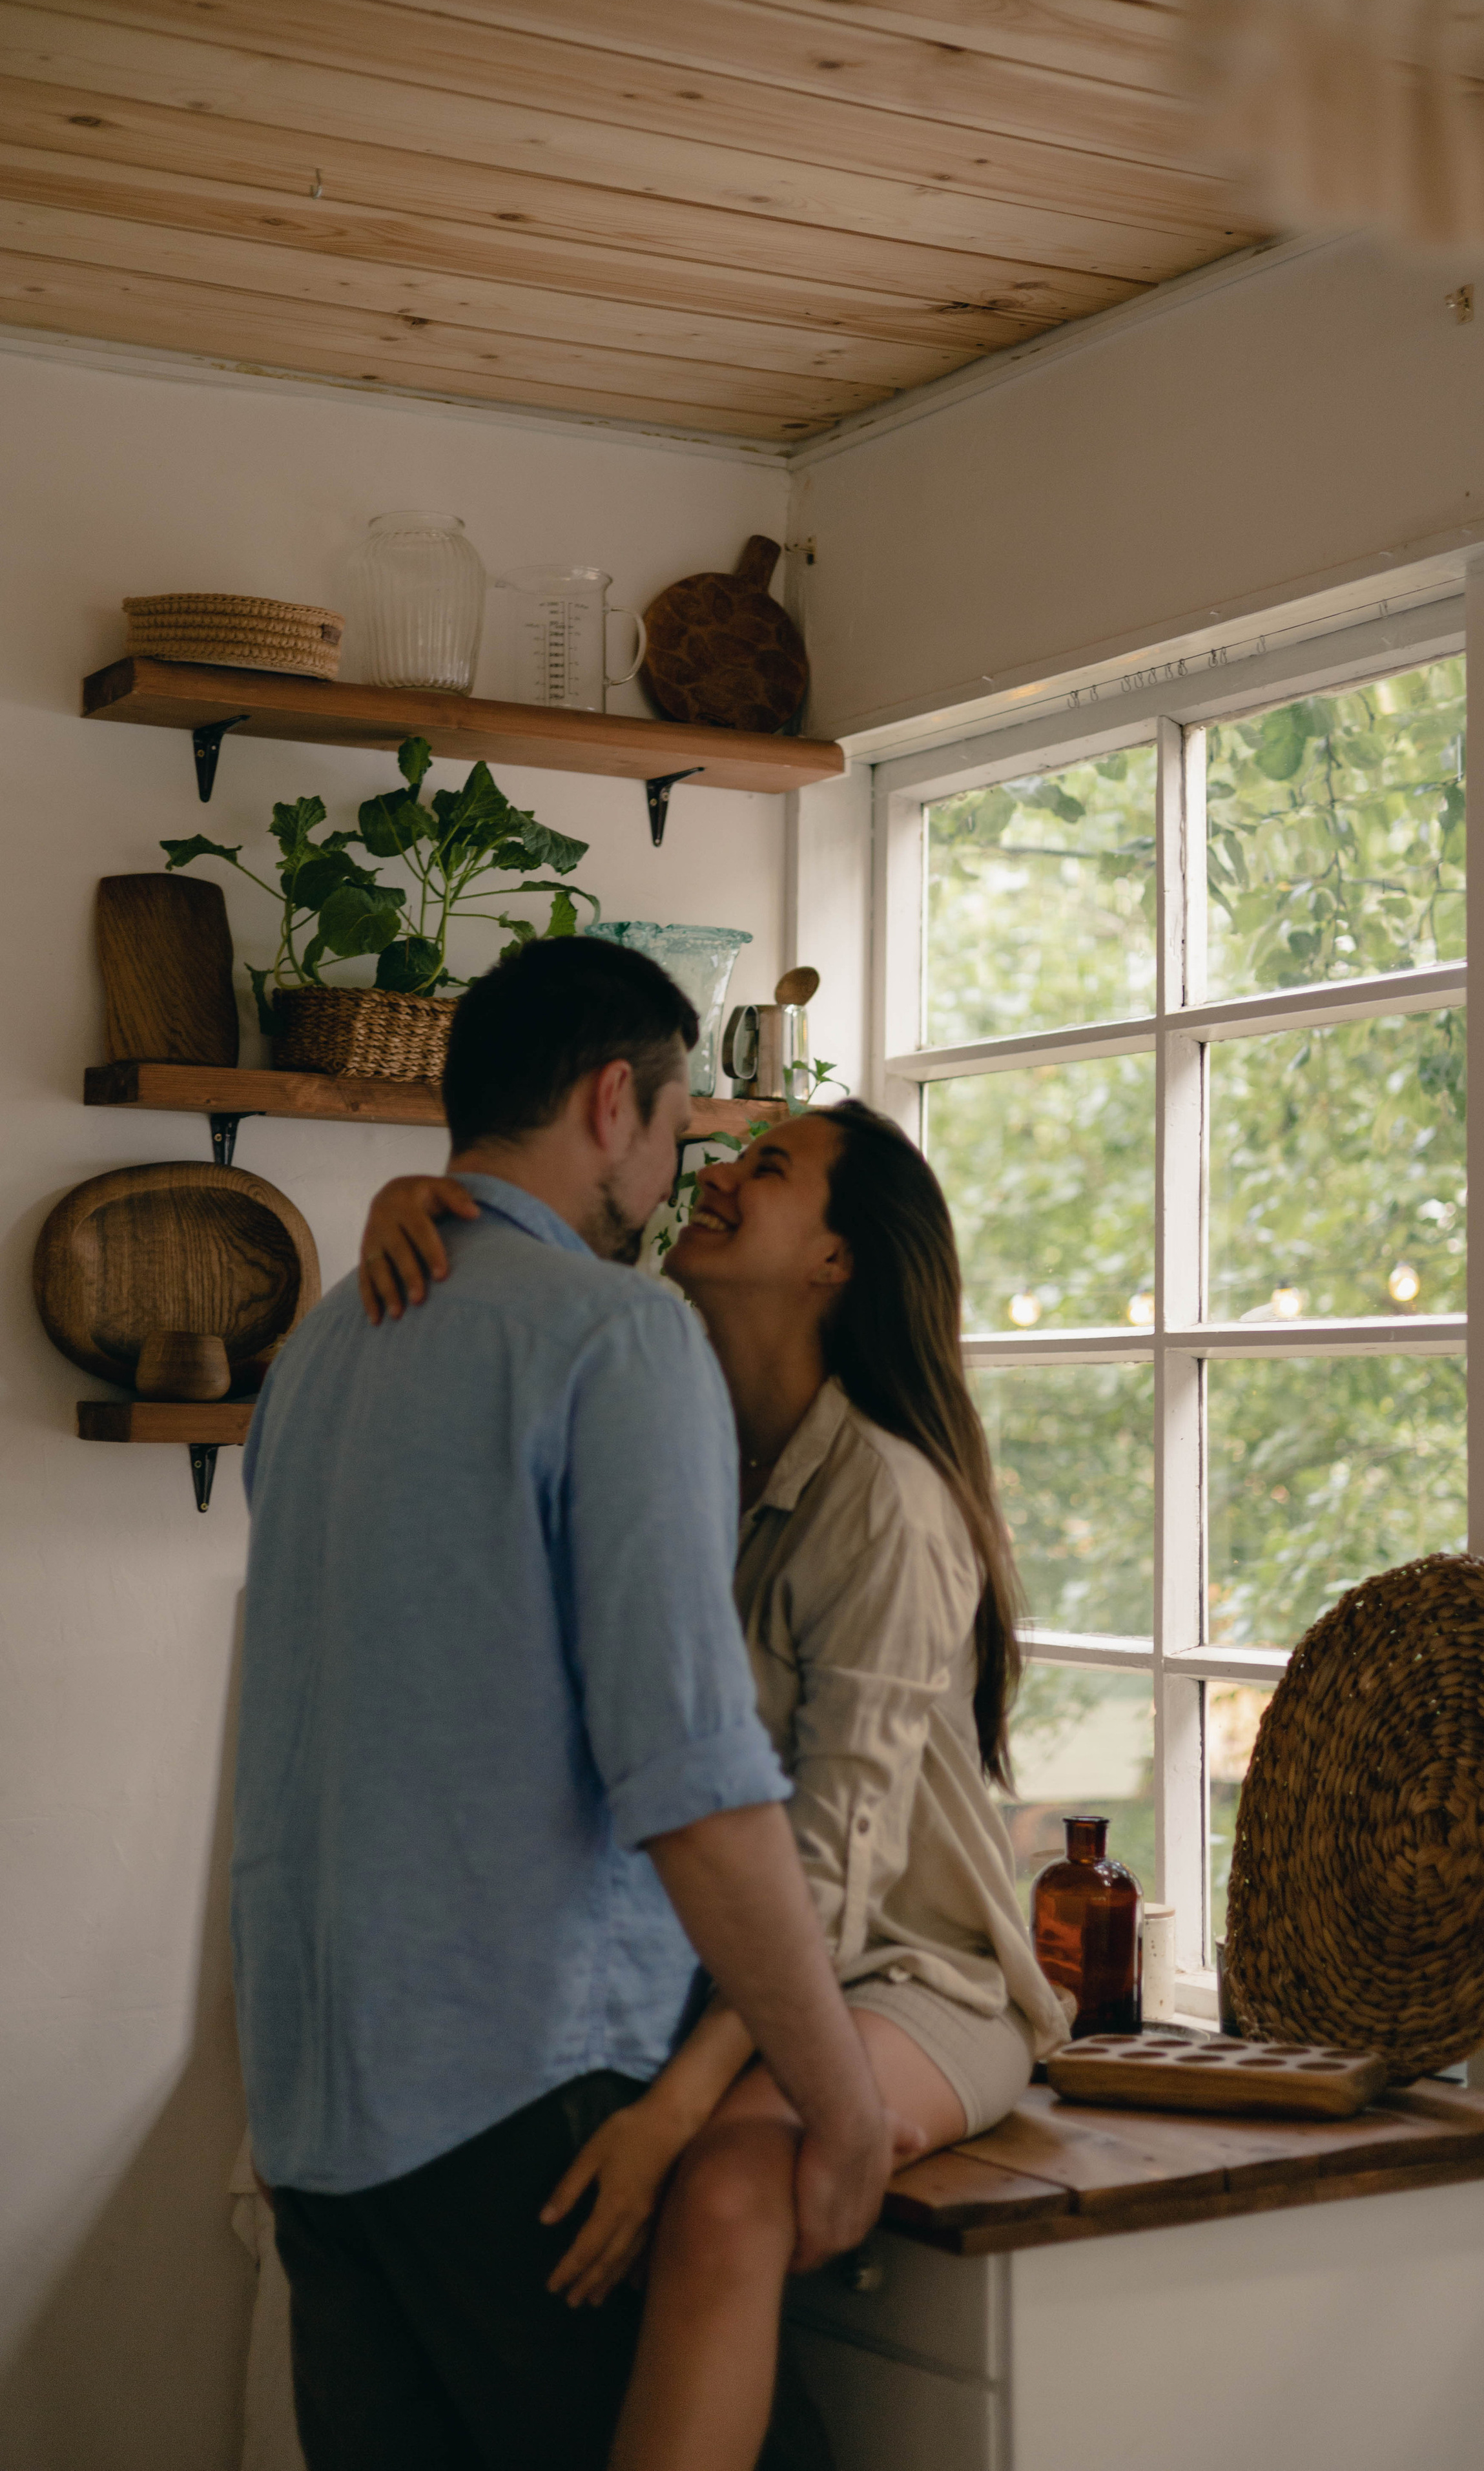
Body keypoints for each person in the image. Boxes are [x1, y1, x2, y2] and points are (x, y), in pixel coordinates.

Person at [233, 937, 900, 2471]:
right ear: (614, 1100)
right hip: (523, 2092)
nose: (676, 1176)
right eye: (676, 1130)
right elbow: (689, 1775)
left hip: (318, 2102)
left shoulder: (322, 1346)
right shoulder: (615, 1334)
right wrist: (838, 2099)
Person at [357, 1092, 1073, 2471]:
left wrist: (677, 2108)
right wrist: (404, 1213)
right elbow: (524, 1260)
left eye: (772, 1168)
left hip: (905, 1973)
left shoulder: (887, 1502)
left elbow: (834, 1863)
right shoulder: (660, 1411)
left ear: (836, 1262)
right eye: (733, 1155)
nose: (720, 1176)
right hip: (722, 1968)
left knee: (729, 2189)